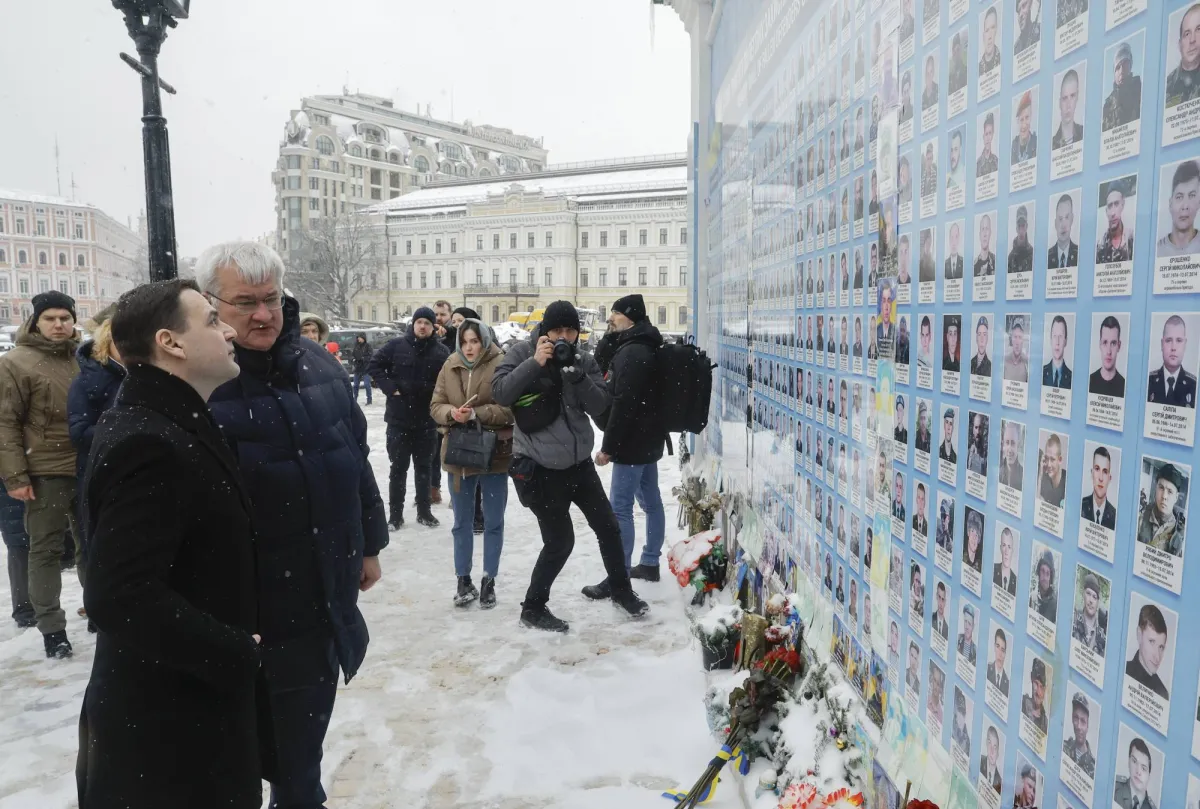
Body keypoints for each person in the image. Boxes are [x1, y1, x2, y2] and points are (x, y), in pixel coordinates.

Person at [200, 242, 388, 809]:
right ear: (211, 303)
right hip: (236, 606)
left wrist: (369, 544)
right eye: (244, 303)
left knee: (301, 757)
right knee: (225, 762)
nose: (263, 314)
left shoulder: (319, 365)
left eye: (271, 299)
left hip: (317, 597)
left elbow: (356, 460)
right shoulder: (198, 379)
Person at [77, 279, 261, 809]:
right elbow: (120, 594)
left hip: (184, 713)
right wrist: (233, 652)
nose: (229, 331)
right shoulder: (149, 440)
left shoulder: (170, 421)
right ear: (170, 342)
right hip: (167, 734)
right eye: (212, 321)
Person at [492, 301, 648, 632]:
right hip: (539, 467)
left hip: (579, 465)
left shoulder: (582, 358)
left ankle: (621, 591)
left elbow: (601, 405)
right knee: (560, 541)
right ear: (544, 330)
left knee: (609, 527)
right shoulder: (522, 353)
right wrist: (535, 363)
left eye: (570, 330)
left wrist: (578, 378)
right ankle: (533, 608)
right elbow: (501, 393)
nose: (563, 336)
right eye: (557, 330)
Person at [0, 291, 81, 659]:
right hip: (45, 471)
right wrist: (16, 476)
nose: (59, 325)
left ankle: (100, 613)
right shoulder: (16, 362)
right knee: (45, 550)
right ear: (35, 321)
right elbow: (6, 422)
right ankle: (52, 630)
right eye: (50, 318)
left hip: (87, 465)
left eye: (65, 317)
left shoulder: (83, 358)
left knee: (92, 546)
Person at [429, 317, 513, 609]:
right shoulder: (449, 365)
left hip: (494, 455)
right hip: (459, 455)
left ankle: (489, 580)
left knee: (493, 522)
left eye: (474, 341)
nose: (469, 347)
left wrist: (477, 413)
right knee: (461, 523)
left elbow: (509, 409)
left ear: (484, 341)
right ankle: (463, 580)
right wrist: (452, 413)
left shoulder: (501, 363)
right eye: (464, 341)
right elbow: (435, 405)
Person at [593, 295, 668, 586]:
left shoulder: (633, 352)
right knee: (651, 502)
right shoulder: (646, 344)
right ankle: (650, 562)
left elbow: (623, 404)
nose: (610, 318)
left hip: (631, 442)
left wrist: (608, 447)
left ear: (631, 317)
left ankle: (619, 575)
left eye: (616, 313)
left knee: (620, 508)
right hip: (648, 439)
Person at [369, 307, 450, 528]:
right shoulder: (396, 346)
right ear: (413, 324)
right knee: (398, 469)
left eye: (427, 323)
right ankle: (395, 515)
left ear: (433, 327)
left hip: (426, 421)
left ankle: (424, 512)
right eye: (419, 322)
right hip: (399, 419)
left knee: (424, 468)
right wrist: (390, 388)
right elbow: (374, 365)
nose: (422, 326)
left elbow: (448, 380)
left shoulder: (441, 352)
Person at [67, 305, 126, 576]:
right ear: (107, 341)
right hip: (101, 473)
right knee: (102, 552)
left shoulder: (148, 375)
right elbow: (79, 433)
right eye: (121, 339)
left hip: (142, 470)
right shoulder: (87, 380)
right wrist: (124, 428)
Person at [1136, 463, 1185, 556]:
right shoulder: (1140, 519)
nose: (1164, 496)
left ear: (1176, 497)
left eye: (1170, 491)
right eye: (1161, 488)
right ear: (1156, 488)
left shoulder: (1179, 535)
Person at [1148, 315, 1197, 406]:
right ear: (1162, 344)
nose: (1173, 347)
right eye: (1168, 340)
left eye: (1179, 340)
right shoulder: (1149, 381)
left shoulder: (1194, 386)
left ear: (1185, 345)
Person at [1157, 160, 1200, 256]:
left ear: (1199, 202)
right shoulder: (1157, 250)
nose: (1185, 206)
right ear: (1170, 204)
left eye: (1192, 195)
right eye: (1179, 197)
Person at [1166, 3, 1200, 108]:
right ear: (1180, 44)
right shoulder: (1167, 85)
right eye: (1187, 34)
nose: (1192, 40)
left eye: (1198, 29)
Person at [1103, 41, 1142, 130]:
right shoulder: (1108, 105)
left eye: (1125, 64)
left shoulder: (1141, 90)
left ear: (1130, 66)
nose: (1121, 71)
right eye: (1117, 67)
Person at [1097, 179, 1136, 263]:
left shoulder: (1132, 239)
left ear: (1122, 205)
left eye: (1116, 204)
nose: (1113, 213)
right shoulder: (1100, 246)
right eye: (1110, 206)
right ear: (1106, 211)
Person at [1113, 737, 1157, 809]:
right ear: (1128, 761)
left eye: (1143, 768)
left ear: (1149, 776)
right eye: (1134, 761)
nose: (1138, 771)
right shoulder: (1115, 788)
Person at [1072, 572, 1108, 656]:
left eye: (1094, 597)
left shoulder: (1102, 636)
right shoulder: (1074, 620)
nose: (1091, 600)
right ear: (1083, 594)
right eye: (1088, 594)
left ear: (1098, 602)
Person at [1089, 315, 1126, 397]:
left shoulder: (1125, 386)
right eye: (1105, 342)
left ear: (1119, 346)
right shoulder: (1089, 382)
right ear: (1100, 344)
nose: (1109, 351)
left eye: (1113, 343)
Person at [1081, 446, 1117, 529]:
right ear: (1092, 473)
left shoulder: (1115, 516)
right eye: (1097, 469)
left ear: (1109, 478)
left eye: (1105, 471)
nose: (1101, 478)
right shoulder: (1081, 506)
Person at [1062, 693, 1096, 778]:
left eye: (1083, 721)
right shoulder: (1063, 747)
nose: (1078, 726)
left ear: (1088, 725)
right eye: (1076, 718)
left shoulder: (1094, 768)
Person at [1053, 70, 1084, 149]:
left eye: (1072, 96)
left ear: (1077, 97)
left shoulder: (1084, 133)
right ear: (1059, 103)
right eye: (1064, 98)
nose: (1068, 105)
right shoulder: (1052, 145)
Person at [1048, 196, 1079, 271]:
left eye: (1067, 217)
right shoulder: (1047, 256)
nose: (1063, 225)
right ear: (1055, 223)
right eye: (1060, 219)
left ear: (1072, 219)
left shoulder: (1079, 254)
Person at [1042, 316, 1072, 389]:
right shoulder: (1041, 373)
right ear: (1050, 340)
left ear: (1065, 341)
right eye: (1054, 336)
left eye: (1060, 336)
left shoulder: (1072, 377)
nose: (1057, 342)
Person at [1021, 657, 1049, 732]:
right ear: (1031, 678)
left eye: (1041, 687)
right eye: (1036, 684)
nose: (1038, 692)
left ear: (1045, 689)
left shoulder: (1046, 723)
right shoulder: (1022, 704)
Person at [1038, 434, 1066, 507]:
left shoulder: (1067, 481)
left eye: (1052, 459)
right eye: (1047, 458)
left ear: (1060, 460)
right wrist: (1040, 475)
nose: (1049, 464)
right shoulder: (1044, 478)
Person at [1030, 551, 1058, 622]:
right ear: (1038, 572)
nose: (1045, 577)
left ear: (1050, 577)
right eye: (1042, 571)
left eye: (1047, 573)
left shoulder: (1055, 604)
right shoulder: (1032, 597)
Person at [1011, 93, 1038, 165]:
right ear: (1017, 122)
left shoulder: (1036, 143)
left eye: (1027, 118)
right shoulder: (1013, 147)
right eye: (1021, 119)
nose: (1024, 124)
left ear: (1031, 117)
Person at [1009, 206, 1035, 276]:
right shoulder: (1010, 257)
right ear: (1016, 228)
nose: (1021, 230)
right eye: (1019, 225)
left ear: (1027, 226)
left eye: (1023, 225)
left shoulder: (1033, 254)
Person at [999, 422, 1024, 491]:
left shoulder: (1023, 476)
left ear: (1018, 445)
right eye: (1007, 443)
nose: (1009, 450)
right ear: (1003, 445)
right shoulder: (998, 474)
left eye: (1013, 443)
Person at [349, 334, 374, 405]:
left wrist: (363, 358)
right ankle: (355, 399)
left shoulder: (368, 346)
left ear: (363, 338)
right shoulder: (356, 346)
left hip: (366, 368)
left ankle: (369, 400)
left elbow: (370, 355)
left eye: (360, 338)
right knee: (355, 385)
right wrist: (353, 359)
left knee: (367, 385)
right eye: (358, 338)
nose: (359, 339)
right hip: (357, 368)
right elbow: (352, 355)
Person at [993, 527, 1017, 595]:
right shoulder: (993, 570)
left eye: (1009, 547)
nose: (1006, 552)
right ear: (1000, 548)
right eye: (1004, 545)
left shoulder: (1015, 581)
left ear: (1012, 551)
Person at [980, 725, 1003, 793]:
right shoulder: (979, 761)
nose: (992, 751)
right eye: (990, 743)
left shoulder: (1000, 782)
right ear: (986, 744)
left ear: (998, 753)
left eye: (995, 747)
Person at [987, 628, 1010, 695]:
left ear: (1005, 654)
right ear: (994, 647)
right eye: (997, 646)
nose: (1000, 653)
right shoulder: (987, 670)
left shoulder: (1008, 684)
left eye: (1002, 650)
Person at [979, 5, 1001, 73]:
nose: (989, 37)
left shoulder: (1003, 60)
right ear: (983, 36)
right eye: (987, 30)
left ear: (996, 31)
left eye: (993, 28)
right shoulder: (977, 69)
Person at [977, 113, 999, 178]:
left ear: (992, 135)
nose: (988, 138)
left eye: (990, 133)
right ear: (983, 136)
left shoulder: (996, 161)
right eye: (986, 134)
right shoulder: (978, 163)